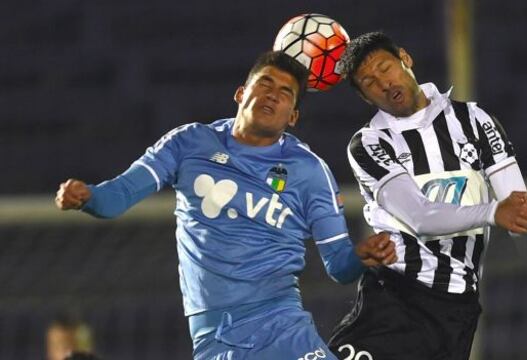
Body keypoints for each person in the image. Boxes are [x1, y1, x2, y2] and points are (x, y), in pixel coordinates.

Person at [55, 51, 398, 360]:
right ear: (241, 93)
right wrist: (88, 196)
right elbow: (118, 197)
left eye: (284, 93)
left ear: (293, 116)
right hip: (213, 338)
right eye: (265, 84)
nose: (272, 95)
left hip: (281, 327)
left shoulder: (309, 171)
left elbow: (339, 265)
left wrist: (360, 256)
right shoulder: (189, 143)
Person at [327, 32, 527, 360]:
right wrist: (491, 212)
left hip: (456, 311)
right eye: (370, 82)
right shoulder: (370, 144)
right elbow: (419, 217)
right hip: (396, 297)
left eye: (385, 68)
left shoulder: (474, 122)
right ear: (365, 97)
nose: (384, 83)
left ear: (405, 58)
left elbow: (521, 214)